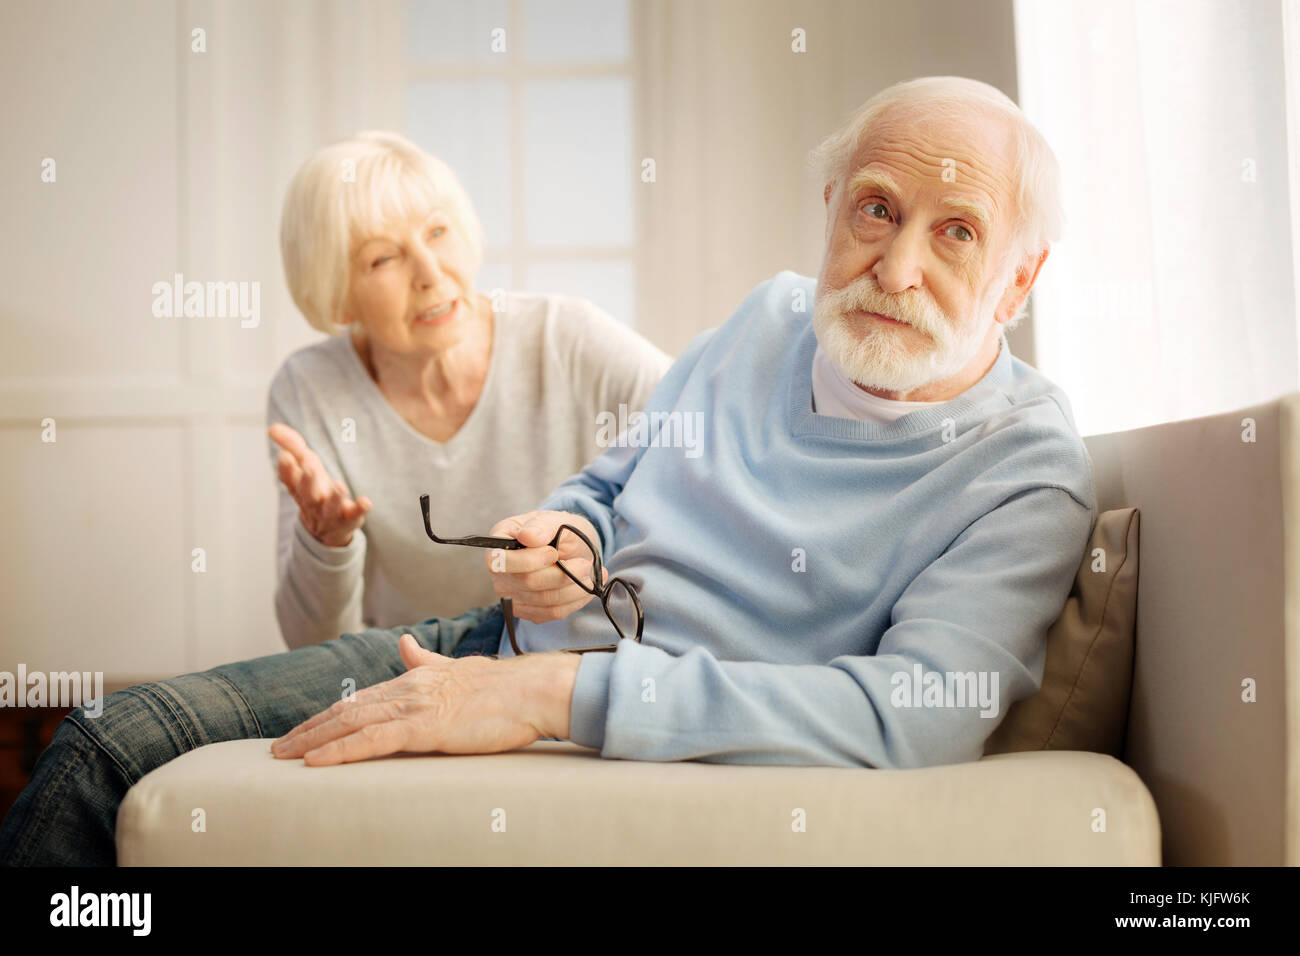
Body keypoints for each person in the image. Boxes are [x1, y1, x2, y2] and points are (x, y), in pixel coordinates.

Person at [0, 76, 1095, 866]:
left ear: (1018, 280)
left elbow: (916, 712)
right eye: (875, 208)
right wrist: (569, 536)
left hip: (543, 688)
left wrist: (552, 693)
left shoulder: (1024, 465)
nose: (895, 266)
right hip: (486, 647)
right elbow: (610, 482)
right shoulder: (766, 318)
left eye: (956, 233)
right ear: (830, 208)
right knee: (103, 741)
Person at [269, 130, 671, 649]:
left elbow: (703, 436)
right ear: (338, 296)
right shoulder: (309, 389)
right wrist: (325, 543)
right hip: (412, 669)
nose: (431, 273)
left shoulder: (567, 337)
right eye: (382, 259)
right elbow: (311, 644)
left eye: (437, 232)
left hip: (569, 662)